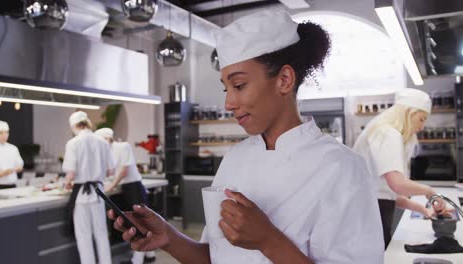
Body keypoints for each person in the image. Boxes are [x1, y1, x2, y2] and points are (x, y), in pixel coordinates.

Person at [109, 9, 384, 264]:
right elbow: (216, 257)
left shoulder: (342, 169)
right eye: (226, 88)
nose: (229, 103)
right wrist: (169, 238)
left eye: (239, 85)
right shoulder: (235, 159)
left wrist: (268, 240)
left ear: (284, 80)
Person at [353, 88, 446, 248]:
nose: (422, 127)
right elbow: (397, 184)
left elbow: (388, 194)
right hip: (371, 215)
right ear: (409, 113)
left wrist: (424, 210)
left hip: (370, 210)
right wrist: (430, 192)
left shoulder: (383, 131)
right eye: (422, 119)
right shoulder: (388, 134)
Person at [95, 128, 156, 264]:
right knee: (132, 223)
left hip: (133, 187)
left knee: (139, 223)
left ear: (106, 139)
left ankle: (138, 260)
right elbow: (110, 172)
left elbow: (123, 170)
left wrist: (110, 186)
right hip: (124, 189)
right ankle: (149, 254)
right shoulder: (107, 151)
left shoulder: (123, 146)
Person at [63, 111, 114, 264]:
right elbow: (111, 171)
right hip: (98, 193)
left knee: (84, 236)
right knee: (101, 234)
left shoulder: (73, 143)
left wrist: (67, 183)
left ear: (73, 126)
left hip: (81, 195)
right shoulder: (102, 142)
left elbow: (71, 172)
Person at [0, 120, 23, 190]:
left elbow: (20, 166)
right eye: (1, 133)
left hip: (12, 186)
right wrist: (4, 173)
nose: (4, 135)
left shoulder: (13, 148)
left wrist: (15, 169)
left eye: (6, 132)